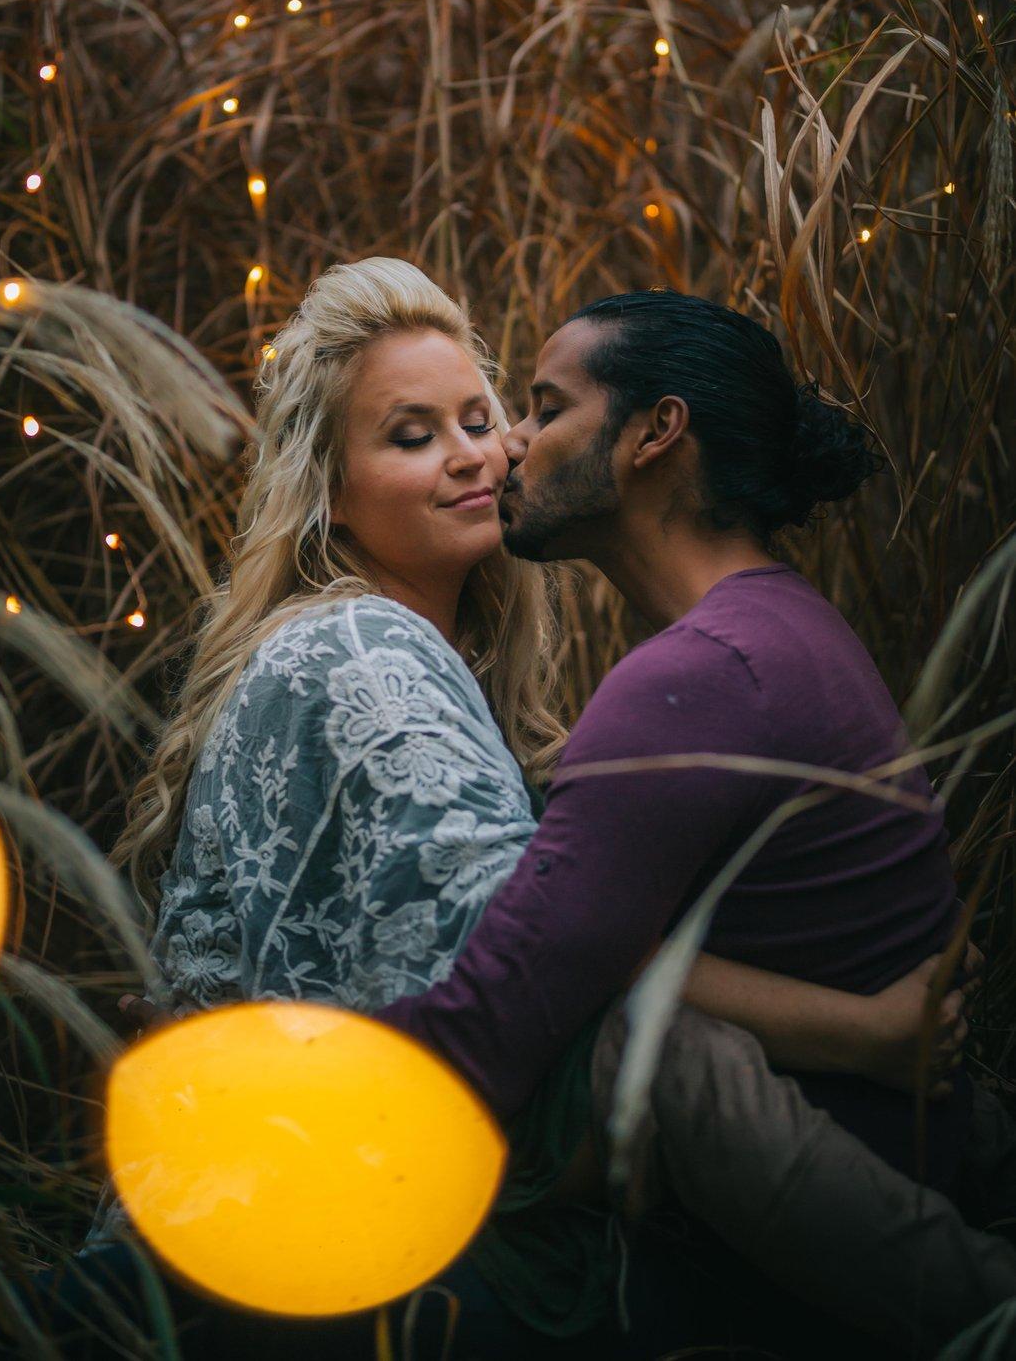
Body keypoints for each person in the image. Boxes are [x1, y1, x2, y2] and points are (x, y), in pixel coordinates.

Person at [100, 260, 1013, 1358]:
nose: (495, 450)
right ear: (327, 491)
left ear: (652, 435)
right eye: (412, 434)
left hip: (774, 1216)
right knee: (674, 1059)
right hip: (384, 1203)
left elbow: (540, 959)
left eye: (511, 414)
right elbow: (515, 984)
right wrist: (865, 1037)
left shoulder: (698, 667)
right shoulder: (370, 650)